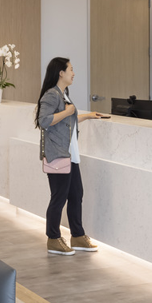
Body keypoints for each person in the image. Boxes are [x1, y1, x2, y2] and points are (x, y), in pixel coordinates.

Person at [36, 57, 109, 256]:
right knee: (59, 198)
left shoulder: (64, 94)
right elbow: (44, 121)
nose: (73, 73)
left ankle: (77, 236)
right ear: (61, 72)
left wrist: (87, 116)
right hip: (58, 154)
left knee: (76, 195)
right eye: (71, 69)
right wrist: (68, 111)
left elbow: (66, 120)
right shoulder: (52, 95)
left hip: (70, 154)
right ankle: (53, 238)